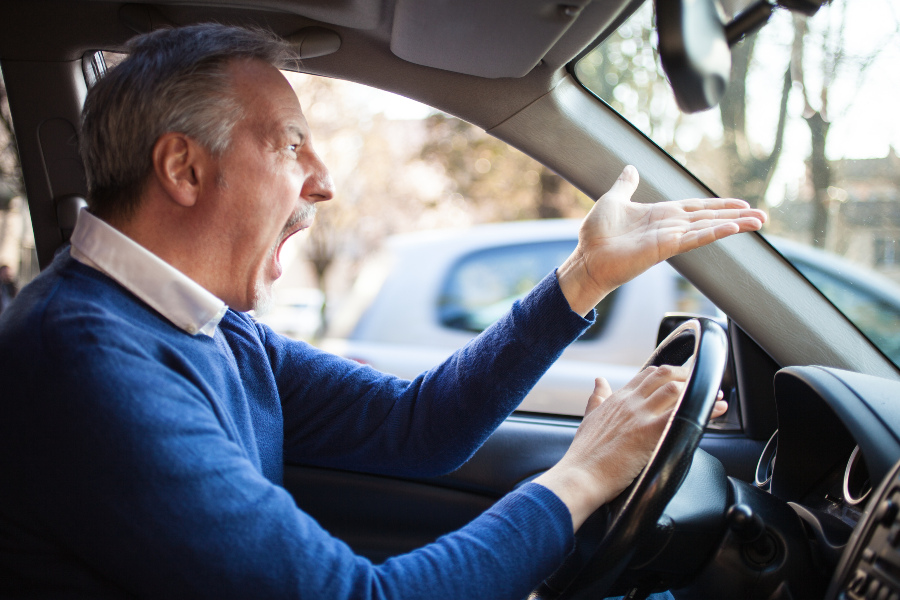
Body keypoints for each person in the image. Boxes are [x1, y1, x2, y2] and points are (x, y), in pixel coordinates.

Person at [0, 24, 766, 599]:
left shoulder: (208, 327)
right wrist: (585, 473)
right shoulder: (84, 360)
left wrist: (583, 275)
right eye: (291, 143)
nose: (323, 180)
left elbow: (417, 427)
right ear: (184, 168)